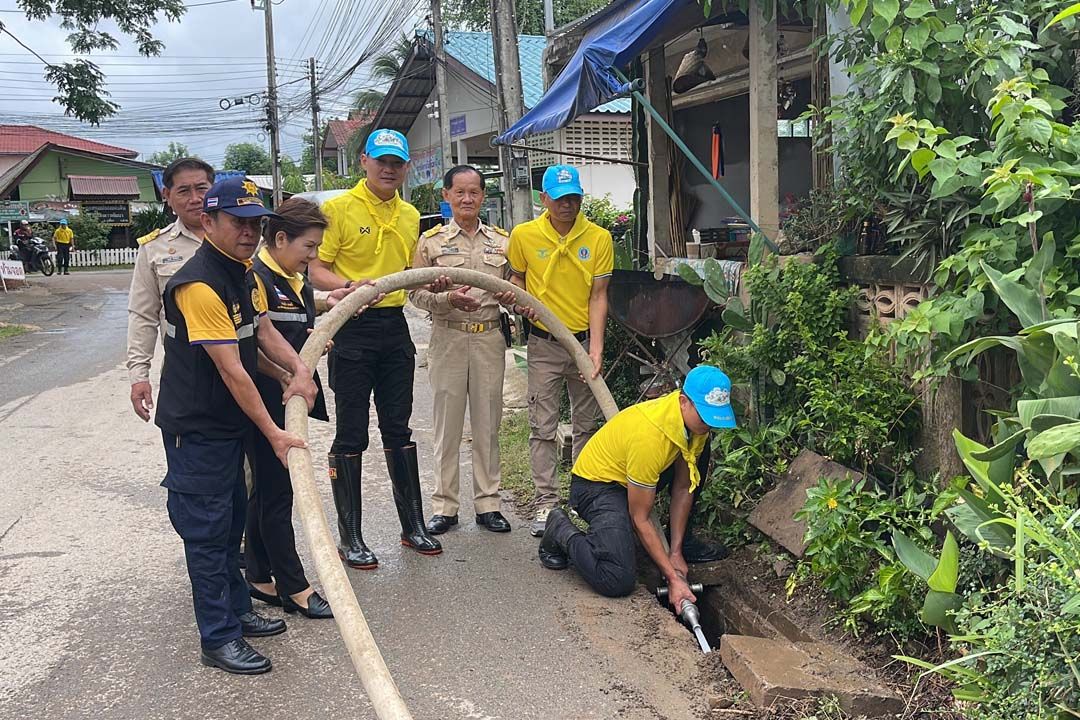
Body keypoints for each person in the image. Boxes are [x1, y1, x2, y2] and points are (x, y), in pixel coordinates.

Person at [155, 177, 318, 675]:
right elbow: (232, 369)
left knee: (228, 527)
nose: (249, 232)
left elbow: (262, 335)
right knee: (207, 532)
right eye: (238, 222)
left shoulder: (245, 275)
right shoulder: (199, 284)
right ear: (208, 221)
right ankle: (218, 637)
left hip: (227, 426)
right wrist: (274, 432)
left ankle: (239, 611)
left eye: (256, 223)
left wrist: (300, 372)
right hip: (197, 428)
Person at [308, 128, 442, 567]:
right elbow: (315, 268)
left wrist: (431, 278)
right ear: (363, 160)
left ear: (405, 167)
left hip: (393, 327)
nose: (389, 169)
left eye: (397, 162)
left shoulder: (408, 215)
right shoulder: (339, 209)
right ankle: (351, 537)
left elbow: (407, 269)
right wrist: (348, 287)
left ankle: (413, 527)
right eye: (381, 160)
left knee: (399, 429)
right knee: (351, 433)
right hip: (351, 324)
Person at [245, 197, 372, 619]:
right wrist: (296, 360)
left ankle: (260, 575)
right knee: (278, 493)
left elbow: (291, 323)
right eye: (309, 247)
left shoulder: (290, 275)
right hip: (268, 398)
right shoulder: (257, 278)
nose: (314, 257)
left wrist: (315, 328)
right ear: (281, 239)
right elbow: (259, 340)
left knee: (267, 489)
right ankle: (295, 587)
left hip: (286, 396)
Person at [537, 366, 737, 612]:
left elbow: (684, 487)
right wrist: (673, 579)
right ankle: (560, 528)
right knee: (616, 578)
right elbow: (640, 517)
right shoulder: (650, 438)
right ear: (684, 402)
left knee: (700, 456)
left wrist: (675, 551)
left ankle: (660, 543)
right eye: (705, 417)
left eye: (714, 419)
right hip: (598, 485)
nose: (709, 425)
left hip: (630, 480)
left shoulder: (694, 426)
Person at [410, 165, 532, 535]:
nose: (467, 199)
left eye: (474, 192)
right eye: (459, 192)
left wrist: (512, 297)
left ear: (482, 196)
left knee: (487, 423)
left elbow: (516, 288)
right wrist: (446, 299)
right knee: (447, 426)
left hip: (489, 339)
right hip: (448, 337)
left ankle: (488, 503)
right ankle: (444, 506)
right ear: (446, 195)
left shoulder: (503, 241)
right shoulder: (430, 242)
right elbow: (413, 292)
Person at [507, 164, 613, 537]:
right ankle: (546, 503)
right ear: (544, 198)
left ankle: (582, 499)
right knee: (542, 426)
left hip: (582, 342)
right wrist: (519, 299)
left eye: (574, 197)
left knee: (587, 425)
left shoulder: (598, 238)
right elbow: (516, 278)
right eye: (561, 197)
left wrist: (596, 349)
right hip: (544, 343)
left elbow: (599, 296)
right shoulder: (524, 235)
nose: (568, 204)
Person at [127, 157, 214, 422]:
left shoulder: (242, 239)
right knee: (189, 455)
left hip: (246, 365)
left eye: (202, 188)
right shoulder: (155, 248)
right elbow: (143, 315)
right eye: (184, 191)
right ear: (167, 195)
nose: (195, 198)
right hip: (185, 371)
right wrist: (138, 376)